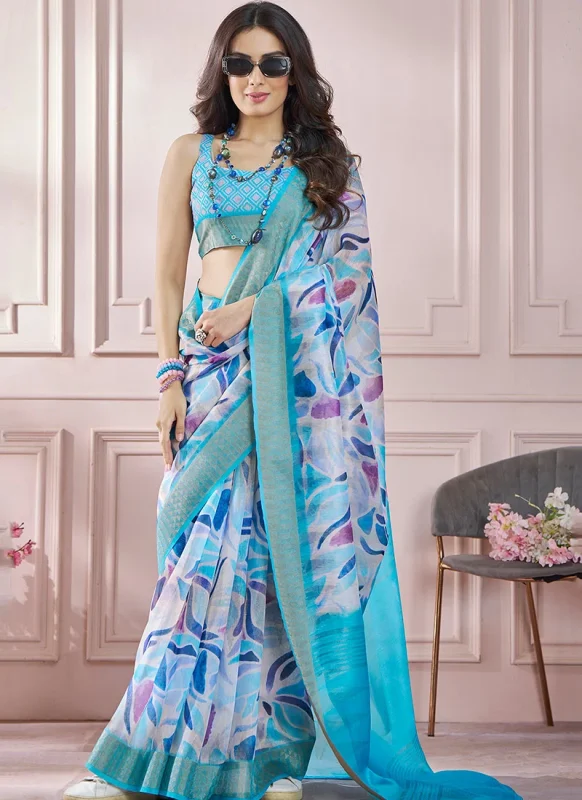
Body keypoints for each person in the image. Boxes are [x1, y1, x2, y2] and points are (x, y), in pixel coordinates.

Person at [64, 3, 523, 800]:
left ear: (295, 72)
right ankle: (146, 757)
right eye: (240, 63)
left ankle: (273, 761)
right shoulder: (191, 155)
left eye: (272, 63)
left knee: (277, 565)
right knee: (194, 566)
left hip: (292, 390)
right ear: (221, 72)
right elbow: (167, 279)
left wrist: (257, 308)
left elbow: (348, 284)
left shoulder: (326, 166)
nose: (255, 79)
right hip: (207, 382)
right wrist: (167, 378)